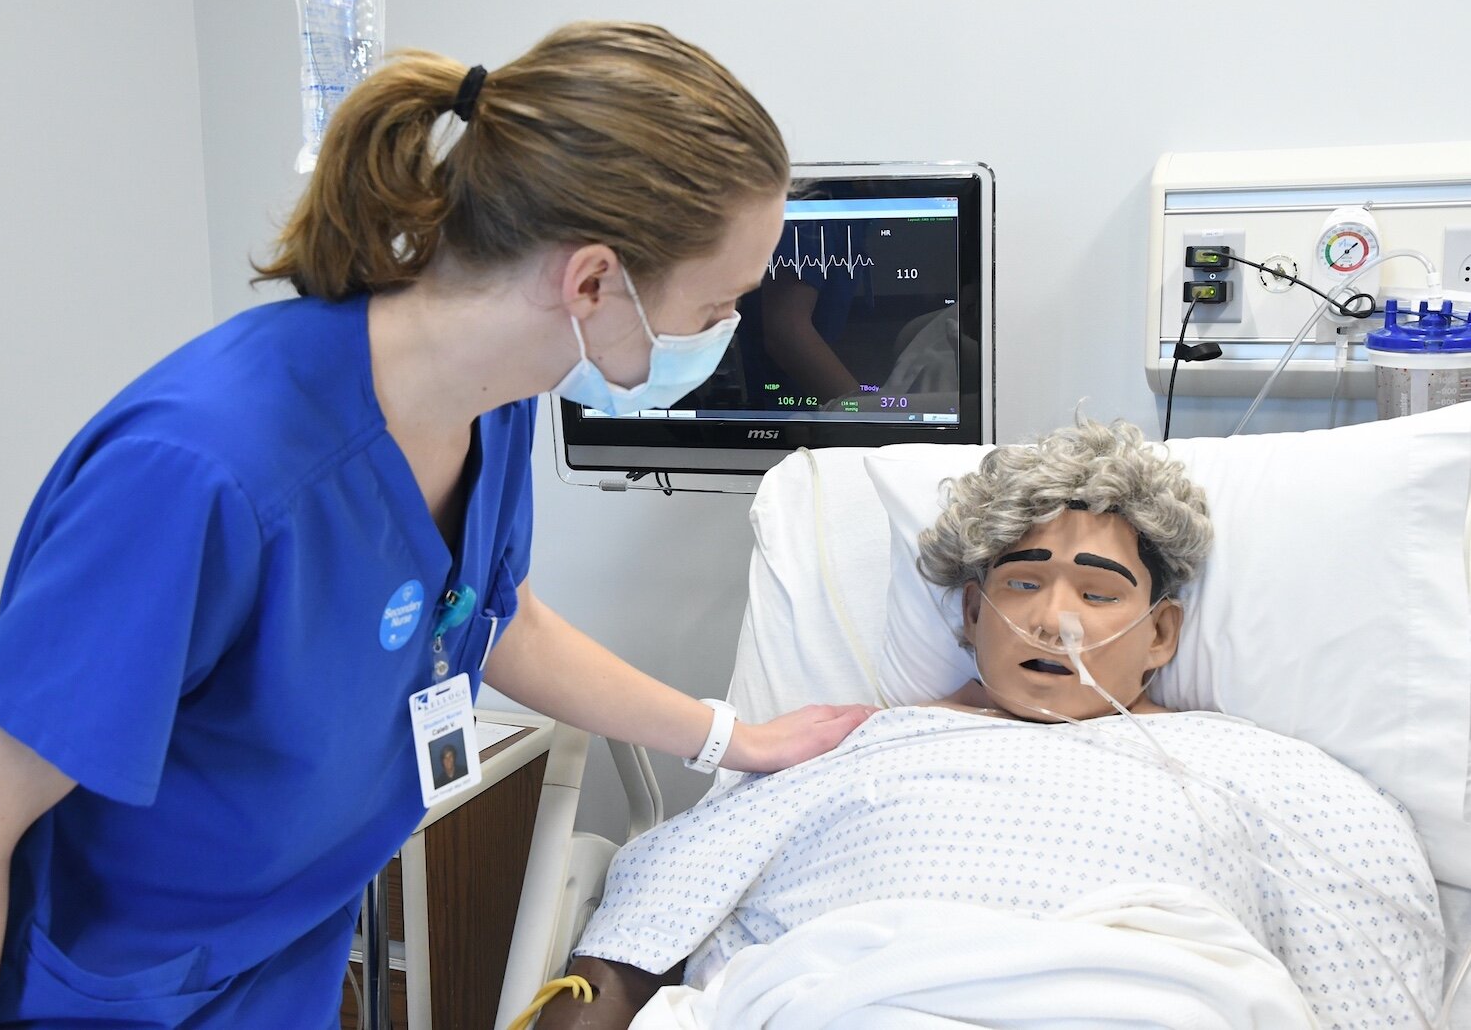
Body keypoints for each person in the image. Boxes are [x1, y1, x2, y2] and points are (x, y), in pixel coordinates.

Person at [0, 22, 877, 1029]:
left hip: (280, 959)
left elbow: (488, 612)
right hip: (121, 991)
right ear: (591, 282)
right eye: (723, 303)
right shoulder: (204, 474)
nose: (731, 330)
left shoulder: (497, 396)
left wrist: (727, 736)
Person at [537, 420, 1443, 1028]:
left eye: (1098, 592)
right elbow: (647, 919)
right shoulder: (845, 746)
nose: (1055, 622)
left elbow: (1369, 968)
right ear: (970, 614)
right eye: (1020, 583)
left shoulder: (1267, 771)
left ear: (1161, 632)